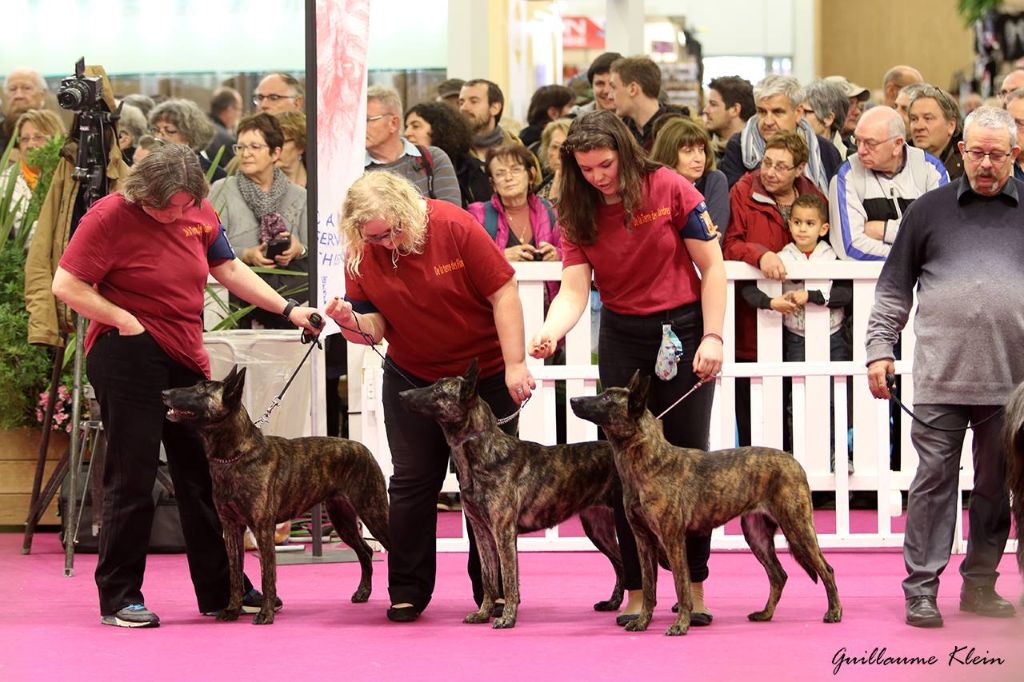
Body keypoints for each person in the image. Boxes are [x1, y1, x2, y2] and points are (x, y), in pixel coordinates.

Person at [50, 143, 321, 628]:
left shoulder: (198, 207)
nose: (172, 213)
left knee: (202, 476)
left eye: (180, 204)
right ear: (141, 192)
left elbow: (229, 268)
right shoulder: (108, 215)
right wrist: (126, 321)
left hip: (184, 353)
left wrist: (288, 309)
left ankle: (223, 591)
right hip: (126, 351)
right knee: (131, 477)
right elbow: (67, 285)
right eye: (162, 206)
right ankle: (120, 597)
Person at [527, 110, 725, 626]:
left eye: (606, 164)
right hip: (621, 333)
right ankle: (637, 588)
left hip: (682, 330)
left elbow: (714, 267)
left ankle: (694, 586)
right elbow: (574, 289)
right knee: (624, 471)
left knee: (688, 463)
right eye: (586, 168)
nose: (598, 176)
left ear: (625, 152)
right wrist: (553, 329)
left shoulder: (670, 187)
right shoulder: (575, 207)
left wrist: (712, 335)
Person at [325, 171, 534, 623]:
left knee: (487, 487)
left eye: (392, 231)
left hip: (483, 376)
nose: (386, 242)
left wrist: (516, 363)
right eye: (374, 236)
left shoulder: (454, 225)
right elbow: (374, 328)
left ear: (406, 212)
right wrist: (349, 321)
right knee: (412, 481)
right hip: (413, 374)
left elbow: (503, 291)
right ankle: (406, 588)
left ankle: (493, 590)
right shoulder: (362, 252)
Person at [866, 106, 1024, 628]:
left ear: (1014, 155)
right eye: (976, 152)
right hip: (939, 377)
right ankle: (922, 590)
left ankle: (981, 585)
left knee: (996, 486)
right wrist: (878, 349)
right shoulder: (928, 211)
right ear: (961, 151)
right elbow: (893, 289)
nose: (984, 164)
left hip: (1014, 386)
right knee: (932, 483)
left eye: (996, 155)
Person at [724, 131, 826, 446]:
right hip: (753, 315)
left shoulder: (814, 196)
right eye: (766, 162)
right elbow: (730, 243)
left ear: (800, 169)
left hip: (802, 320)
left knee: (801, 400)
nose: (770, 172)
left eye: (782, 166)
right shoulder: (743, 191)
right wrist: (761, 255)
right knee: (753, 403)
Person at [739, 193, 851, 453]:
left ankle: (837, 453)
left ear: (823, 228)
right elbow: (748, 289)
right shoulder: (782, 257)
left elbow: (847, 294)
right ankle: (799, 452)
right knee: (797, 397)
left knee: (834, 396)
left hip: (832, 336)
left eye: (810, 224)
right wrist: (771, 302)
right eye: (797, 222)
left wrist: (810, 296)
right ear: (789, 225)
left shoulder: (832, 257)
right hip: (795, 337)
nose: (802, 228)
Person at [210, 113, 308, 329]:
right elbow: (206, 245)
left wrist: (297, 249)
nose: (246, 154)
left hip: (291, 293)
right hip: (234, 299)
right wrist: (247, 254)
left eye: (255, 147)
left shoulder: (299, 195)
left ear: (275, 152)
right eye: (240, 147)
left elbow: (311, 250)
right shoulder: (222, 190)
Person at [829, 105, 947, 261]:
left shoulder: (931, 169)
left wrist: (883, 230)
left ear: (897, 144)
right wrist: (914, 257)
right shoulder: (847, 175)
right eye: (857, 141)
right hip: (865, 283)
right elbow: (851, 247)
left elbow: (941, 236)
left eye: (870, 143)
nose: (861, 151)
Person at [719, 74, 842, 192]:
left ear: (798, 112)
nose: (768, 121)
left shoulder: (825, 150)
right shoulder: (738, 148)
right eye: (762, 112)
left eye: (777, 112)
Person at [365, 85, 461, 206]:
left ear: (393, 123)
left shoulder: (433, 158)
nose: (359, 127)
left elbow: (452, 216)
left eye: (367, 120)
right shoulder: (352, 169)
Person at [468, 142, 561, 265]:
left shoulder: (553, 211)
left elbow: (575, 253)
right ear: (493, 183)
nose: (508, 178)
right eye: (500, 173)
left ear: (531, 175)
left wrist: (558, 254)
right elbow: (466, 259)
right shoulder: (478, 215)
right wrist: (501, 255)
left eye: (515, 170)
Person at [650, 116, 730, 237]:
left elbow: (714, 237)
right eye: (688, 151)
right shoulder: (651, 186)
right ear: (668, 154)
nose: (699, 159)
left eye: (701, 150)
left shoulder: (714, 180)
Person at [404, 101, 490, 207]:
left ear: (439, 129)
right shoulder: (407, 167)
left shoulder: (469, 169)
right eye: (406, 127)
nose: (407, 133)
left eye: (416, 126)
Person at [0, 109, 65, 238]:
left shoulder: (69, 177)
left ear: (57, 140)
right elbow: (26, 235)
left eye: (38, 137)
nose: (30, 144)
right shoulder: (6, 183)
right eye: (24, 139)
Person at [148, 99, 224, 181]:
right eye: (156, 130)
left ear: (190, 135)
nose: (159, 137)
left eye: (170, 130)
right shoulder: (149, 166)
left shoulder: (214, 175)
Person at [908, 85, 963, 180]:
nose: (919, 127)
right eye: (914, 119)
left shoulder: (968, 165)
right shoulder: (900, 160)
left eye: (928, 118)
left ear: (951, 125)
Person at [703, 76, 755, 162]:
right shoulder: (702, 147)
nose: (705, 110)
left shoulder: (755, 154)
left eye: (713, 104)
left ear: (735, 110)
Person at [519, 84, 574, 149]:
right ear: (553, 113)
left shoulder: (521, 141)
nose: (575, 109)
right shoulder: (547, 147)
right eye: (570, 106)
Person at [536, 117, 572, 204]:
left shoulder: (588, 189)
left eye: (566, 147)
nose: (560, 155)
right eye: (555, 147)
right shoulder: (542, 187)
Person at [273, 110, 307, 187]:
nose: (274, 150)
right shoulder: (262, 187)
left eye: (280, 143)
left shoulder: (321, 181)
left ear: (300, 146)